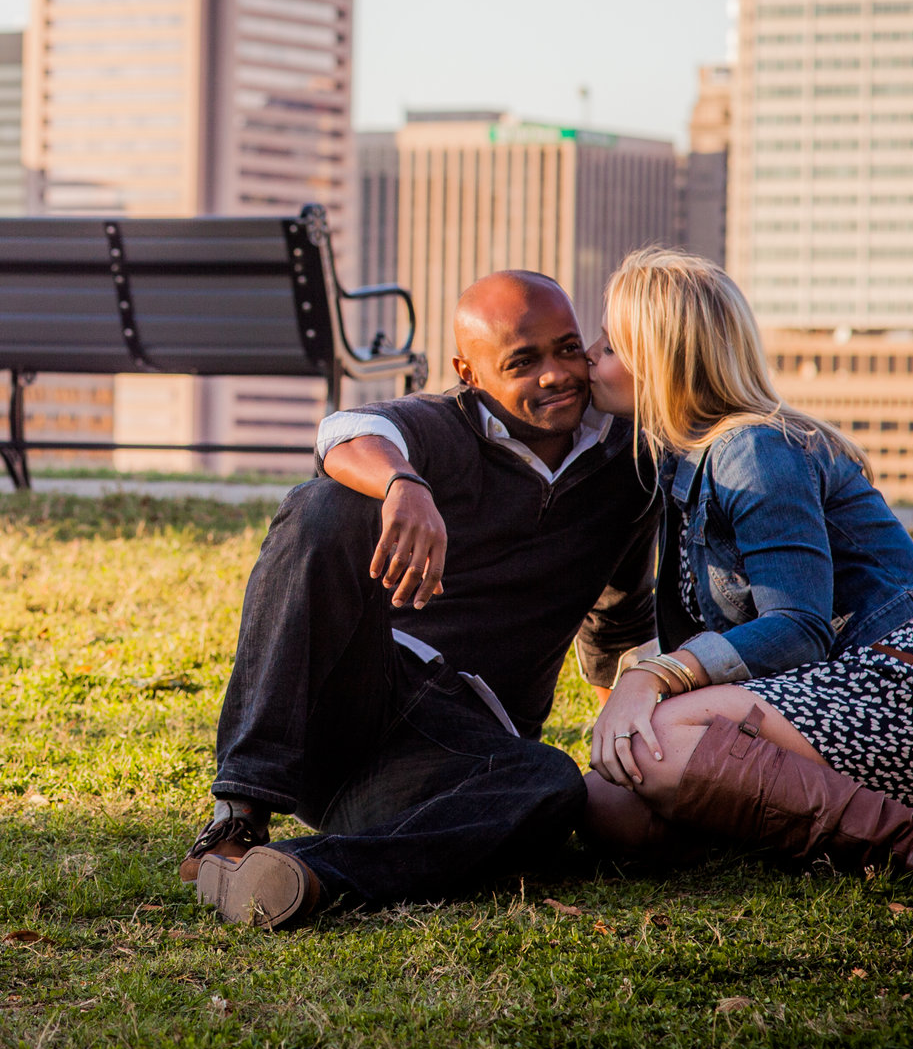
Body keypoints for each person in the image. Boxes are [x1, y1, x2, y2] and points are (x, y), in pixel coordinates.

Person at [187, 270, 658, 930]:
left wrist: (629, 759)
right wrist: (403, 483)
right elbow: (343, 431)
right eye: (523, 362)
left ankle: (304, 874)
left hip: (464, 753)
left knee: (553, 784)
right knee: (326, 505)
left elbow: (616, 626)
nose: (555, 374)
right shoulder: (441, 427)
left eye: (568, 348)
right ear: (470, 372)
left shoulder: (628, 466)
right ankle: (236, 822)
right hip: (361, 702)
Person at [578, 246, 913, 891]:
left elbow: (796, 628)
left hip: (895, 692)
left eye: (610, 345)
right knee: (611, 804)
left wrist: (651, 678)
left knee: (661, 735)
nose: (590, 359)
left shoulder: (753, 449)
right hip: (809, 698)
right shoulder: (675, 461)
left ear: (661, 363)